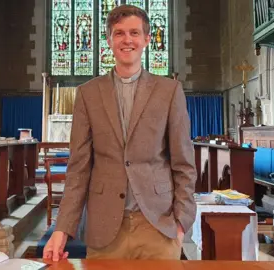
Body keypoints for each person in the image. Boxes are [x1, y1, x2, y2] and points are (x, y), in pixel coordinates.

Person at [43, 4, 197, 261]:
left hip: (157, 225)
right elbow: (78, 168)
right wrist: (62, 228)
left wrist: (181, 222)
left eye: (135, 33)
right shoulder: (88, 94)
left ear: (147, 39)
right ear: (109, 40)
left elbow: (183, 163)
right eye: (119, 33)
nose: (127, 40)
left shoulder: (169, 91)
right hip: (105, 228)